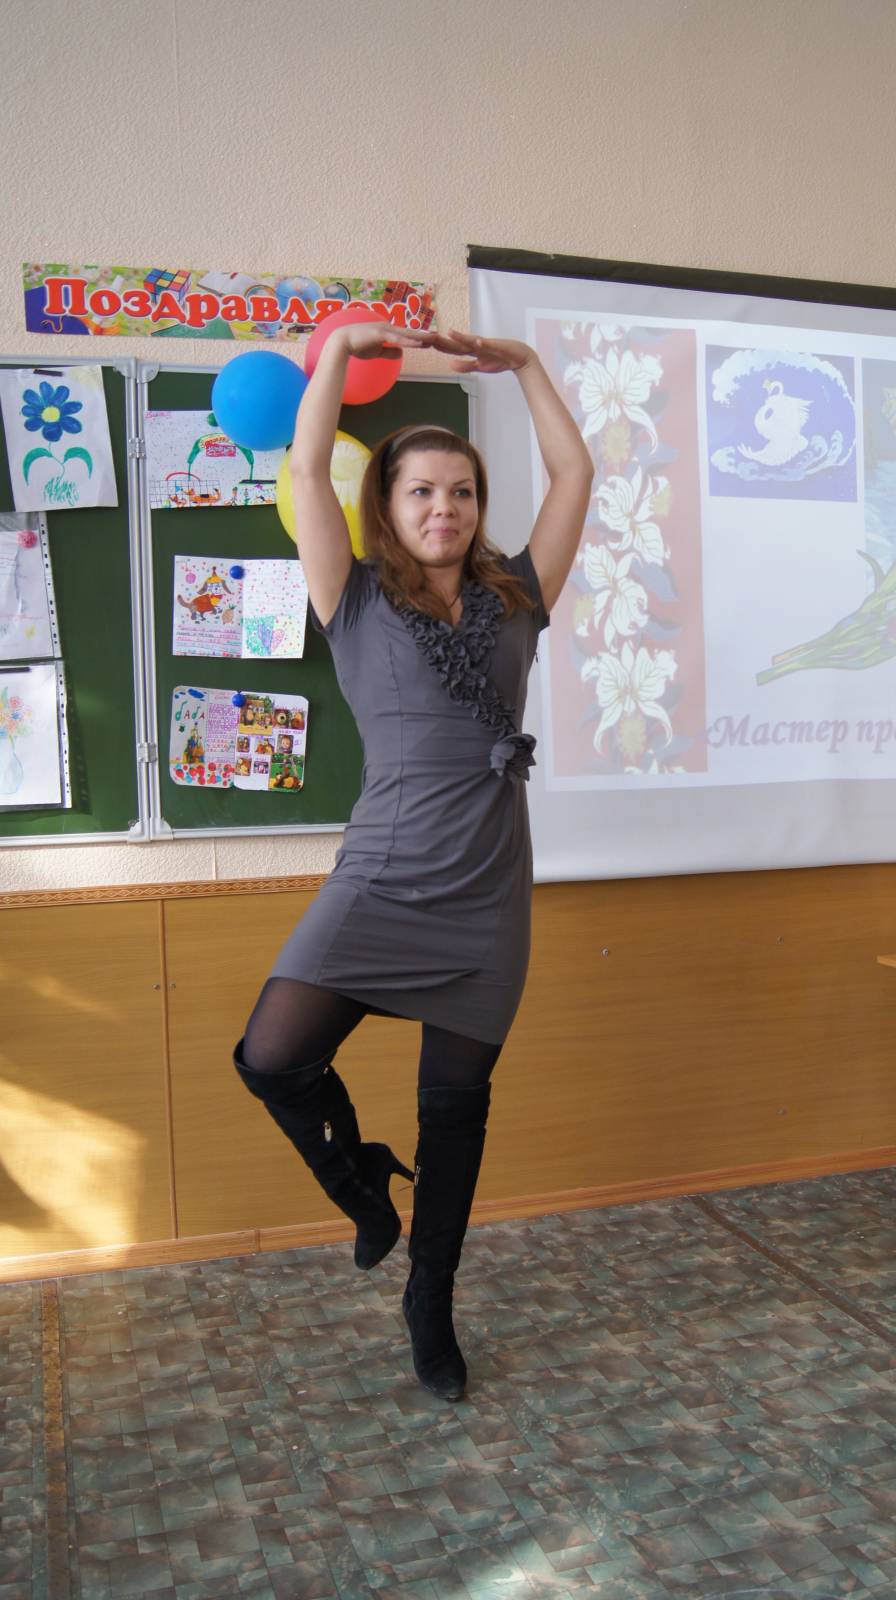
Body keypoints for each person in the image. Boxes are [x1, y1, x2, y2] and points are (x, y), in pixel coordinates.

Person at [234, 321, 593, 1400]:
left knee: (456, 1114)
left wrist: (527, 367)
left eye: (462, 492)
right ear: (384, 506)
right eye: (421, 492)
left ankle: (429, 1302)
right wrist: (341, 348)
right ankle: (361, 1184)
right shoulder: (350, 596)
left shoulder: (517, 596)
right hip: (380, 878)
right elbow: (306, 467)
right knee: (270, 1056)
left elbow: (574, 474)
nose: (445, 508)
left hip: (486, 896)